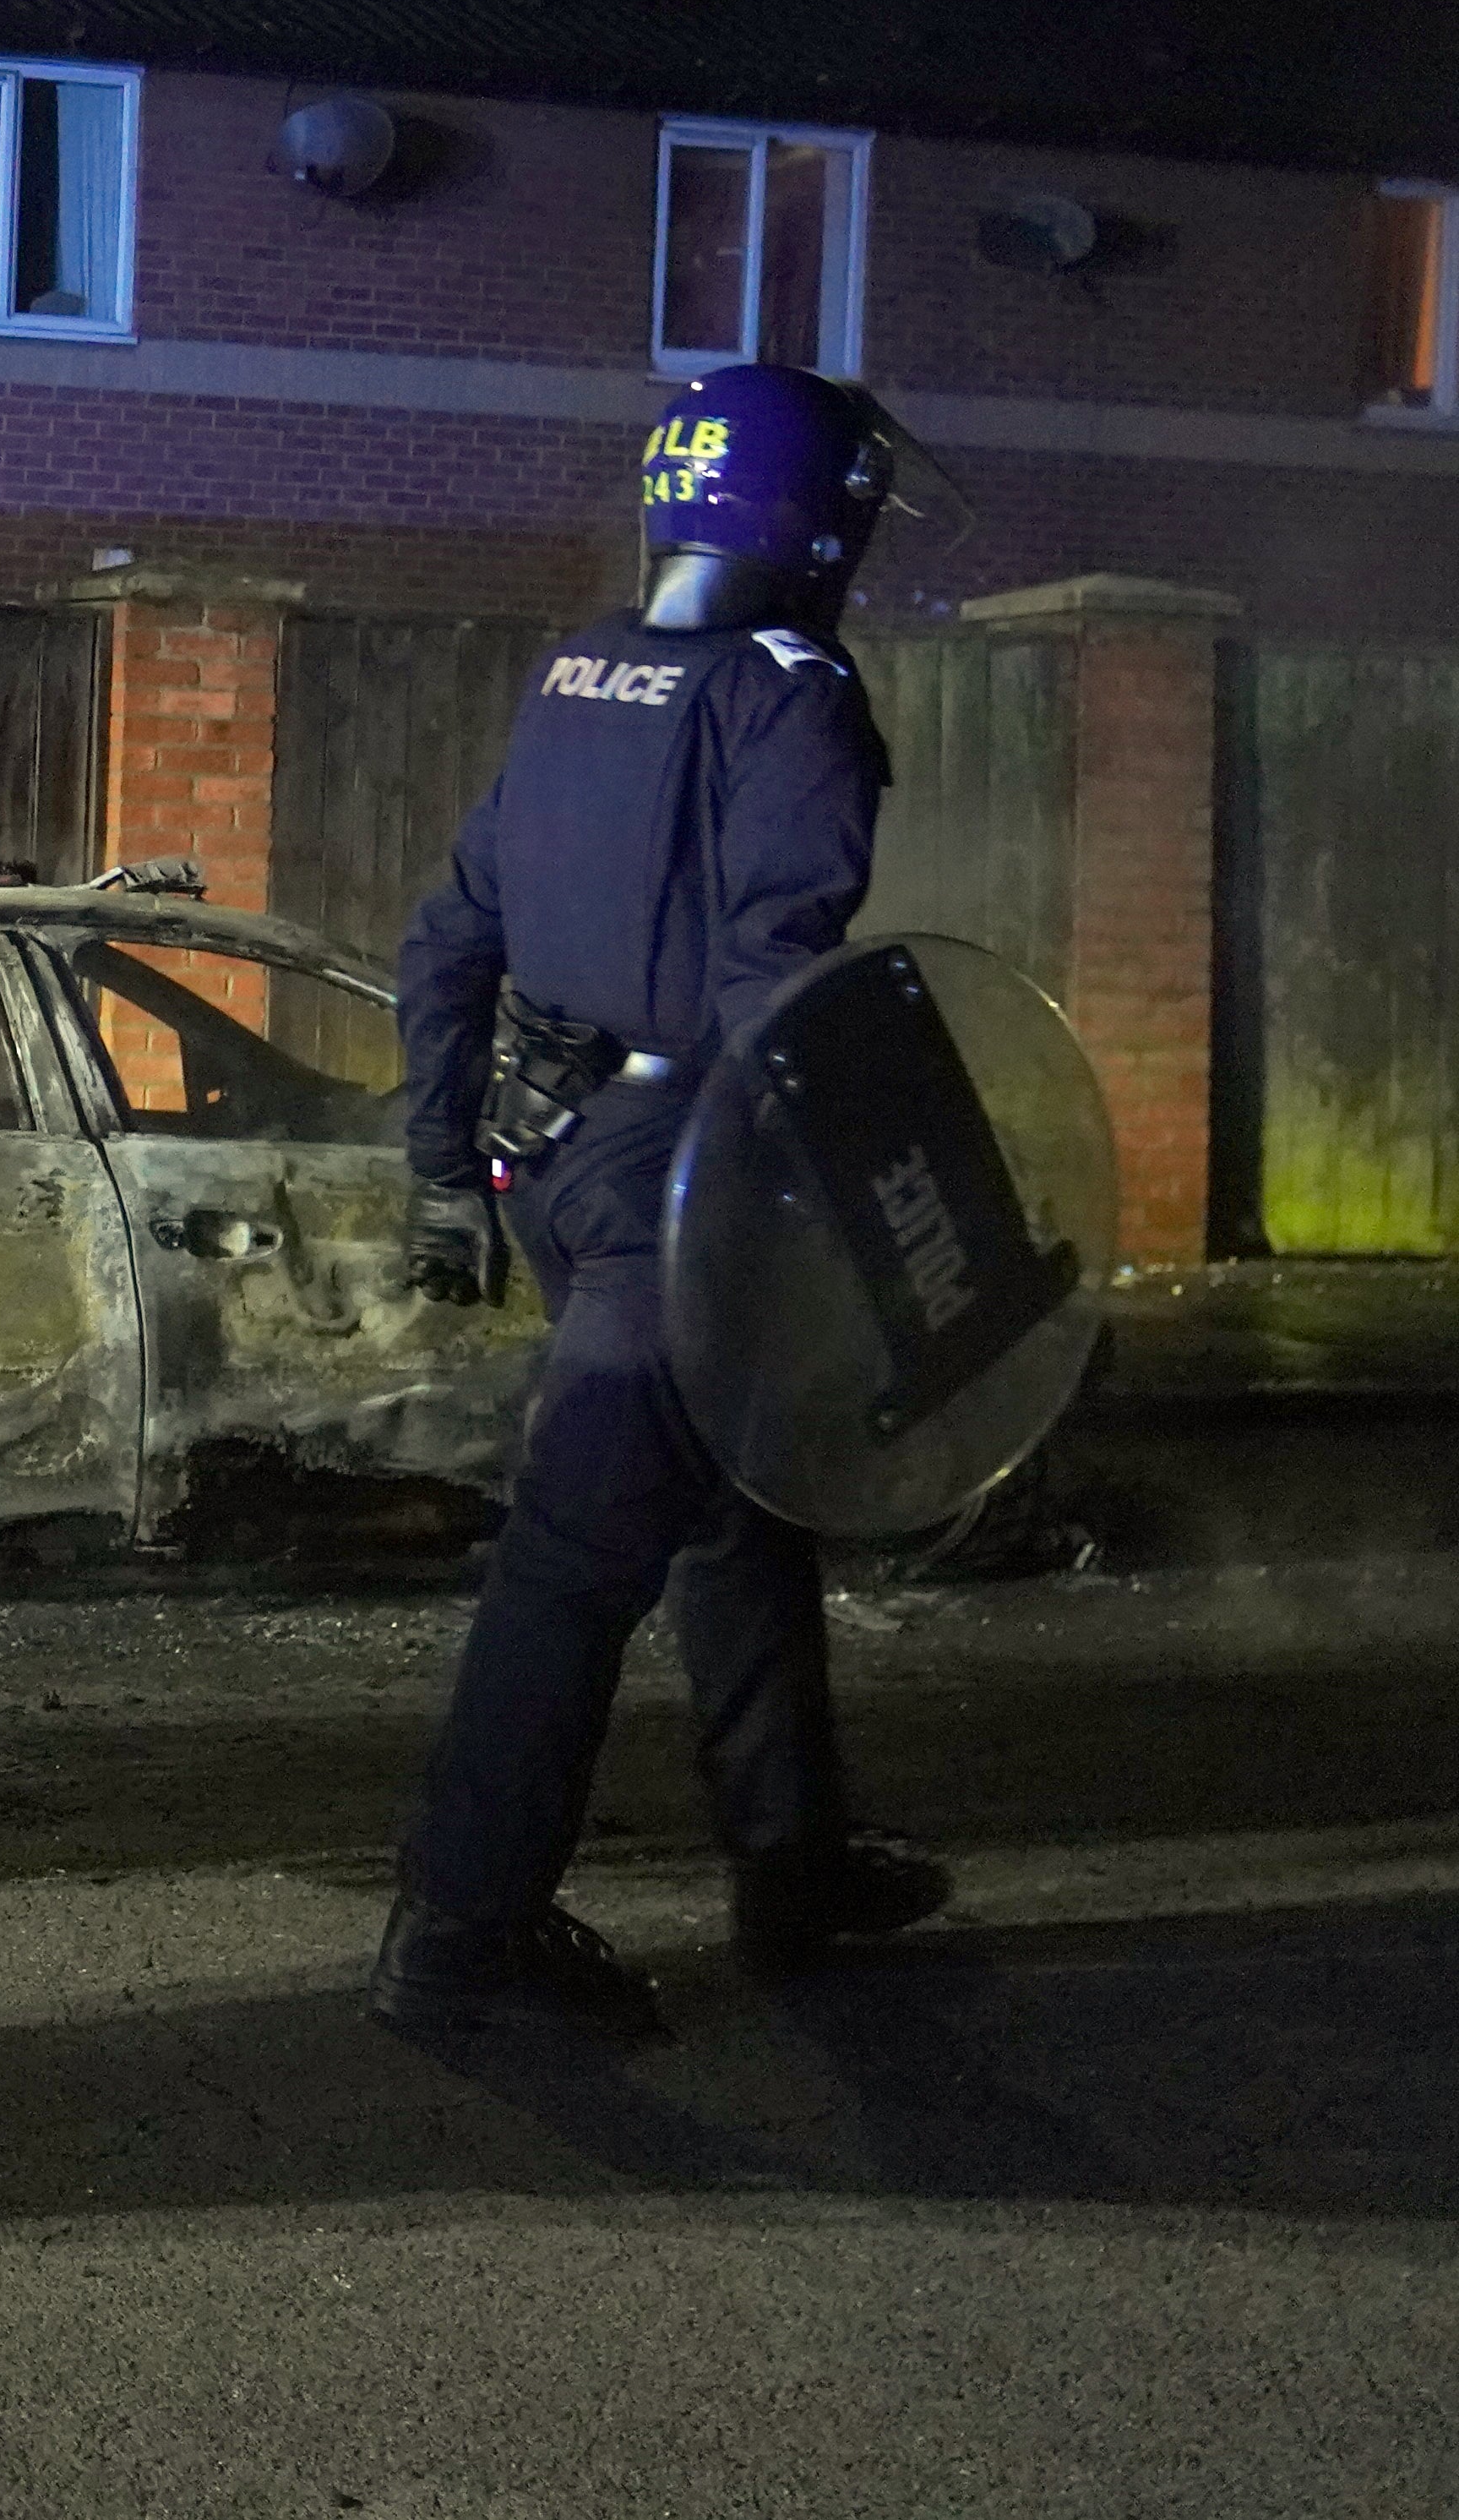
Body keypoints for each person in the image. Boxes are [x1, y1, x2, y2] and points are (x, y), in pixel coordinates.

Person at [373, 363, 957, 2042]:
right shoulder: (791, 693)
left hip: (548, 1158)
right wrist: (886, 1225)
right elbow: (782, 992)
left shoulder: (576, 673)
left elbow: (447, 936)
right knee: (573, 1561)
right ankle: (459, 1928)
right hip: (679, 1181)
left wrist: (437, 1163)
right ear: (813, 517)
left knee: (736, 1502)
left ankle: (791, 1859)